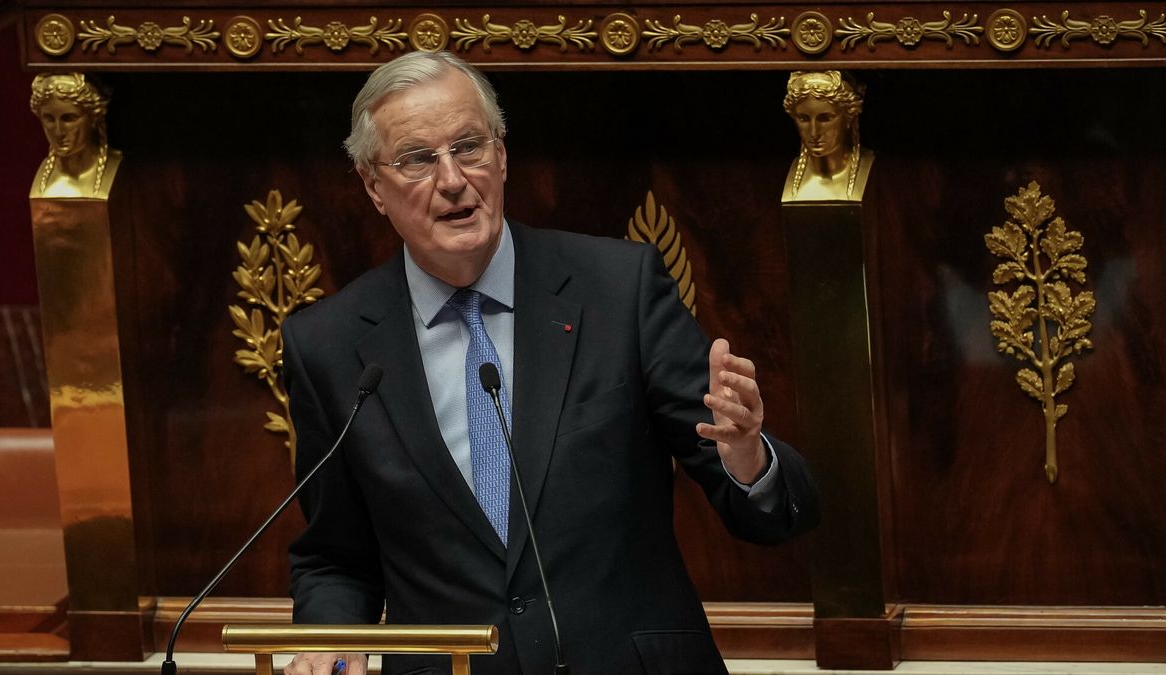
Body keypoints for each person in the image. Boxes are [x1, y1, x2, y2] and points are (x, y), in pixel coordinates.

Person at [281, 51, 818, 675]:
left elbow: (773, 510)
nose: (452, 179)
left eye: (468, 146)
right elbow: (335, 556)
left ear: (502, 155)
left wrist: (747, 458)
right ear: (373, 186)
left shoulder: (617, 290)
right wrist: (328, 640)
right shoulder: (328, 345)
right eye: (418, 159)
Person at [781, 70, 873, 203]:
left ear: (849, 117)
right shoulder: (779, 176)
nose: (814, 132)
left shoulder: (877, 175)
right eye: (804, 119)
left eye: (825, 119)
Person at [29, 73, 121, 199]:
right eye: (49, 118)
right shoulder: (44, 177)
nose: (58, 132)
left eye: (69, 119)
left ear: (94, 118)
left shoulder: (116, 169)